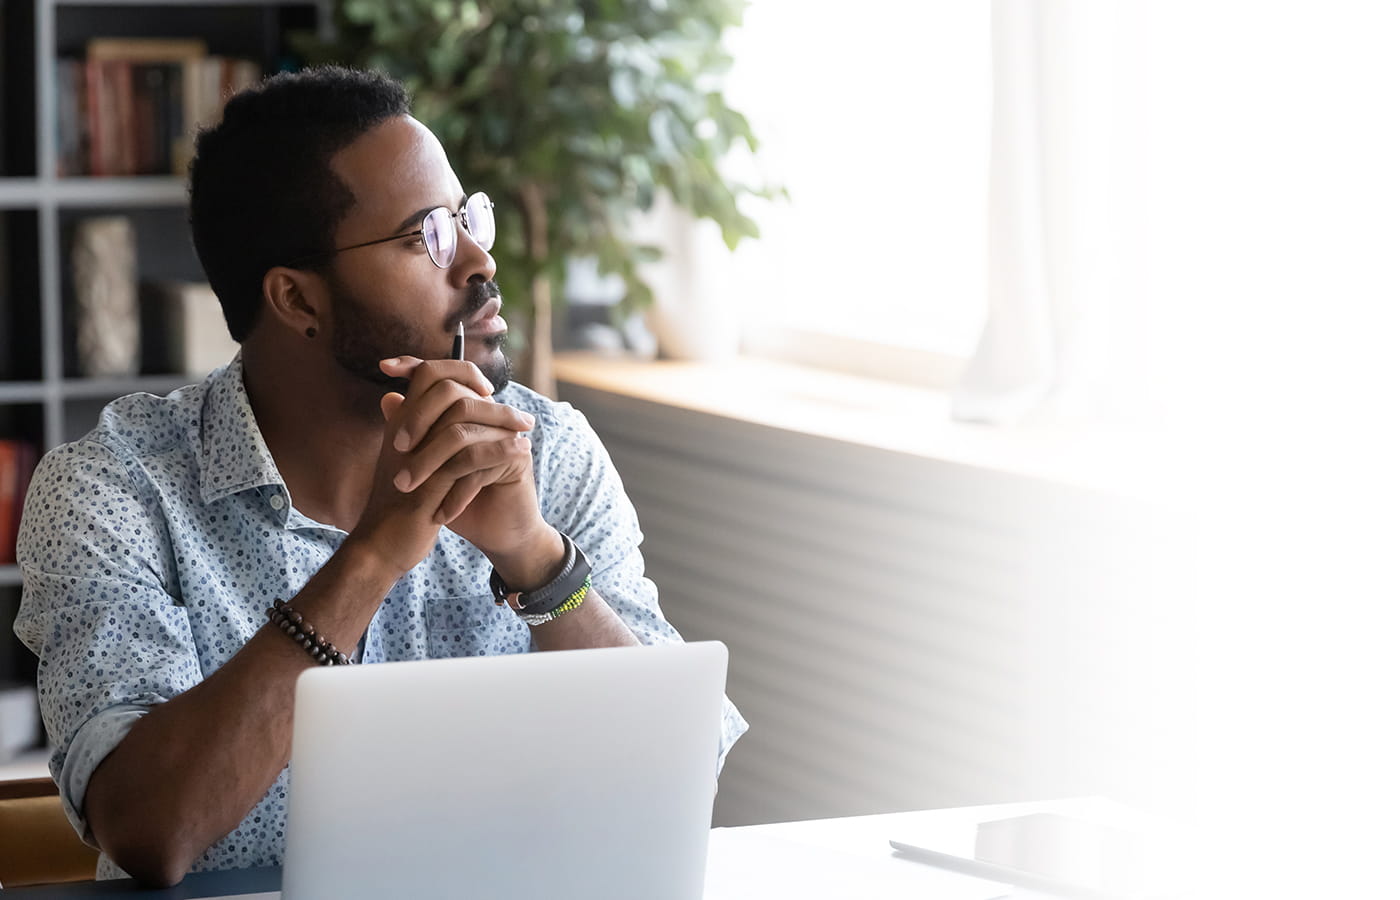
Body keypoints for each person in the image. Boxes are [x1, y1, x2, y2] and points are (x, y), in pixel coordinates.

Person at [13, 66, 747, 887]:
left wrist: (537, 561)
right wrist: (371, 558)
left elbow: (687, 777)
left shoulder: (550, 452)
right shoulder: (115, 490)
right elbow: (153, 831)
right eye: (424, 236)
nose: (477, 260)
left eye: (470, 219)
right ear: (297, 300)